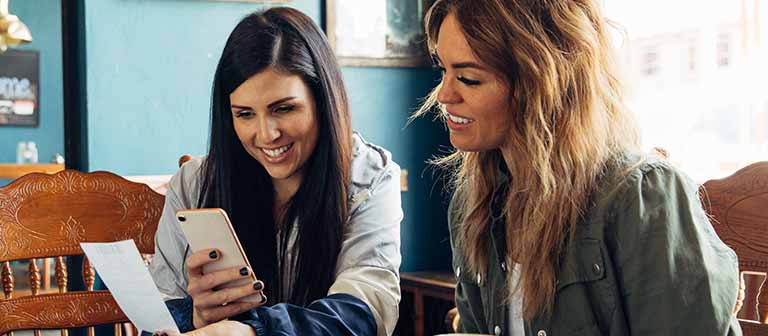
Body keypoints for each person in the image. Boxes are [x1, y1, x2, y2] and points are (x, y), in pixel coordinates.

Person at [415, 0, 742, 335]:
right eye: (444, 70)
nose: (444, 94)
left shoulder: (644, 198)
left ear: (540, 82)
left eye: (468, 78)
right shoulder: (472, 202)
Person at [148, 7, 402, 336]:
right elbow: (159, 314)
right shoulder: (194, 183)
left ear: (322, 100)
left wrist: (252, 331)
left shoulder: (369, 176)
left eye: (283, 109)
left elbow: (364, 310)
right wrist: (195, 319)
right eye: (245, 114)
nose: (267, 135)